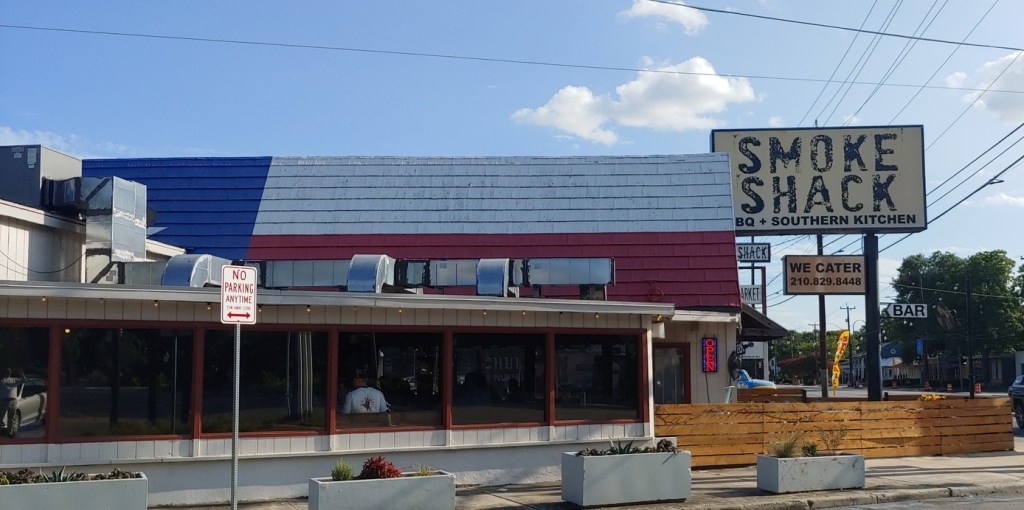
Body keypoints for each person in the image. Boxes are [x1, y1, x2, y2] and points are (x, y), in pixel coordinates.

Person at [1, 368, 26, 435]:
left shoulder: (2, 380)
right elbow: (24, 380)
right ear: (10, 373)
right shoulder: (14, 380)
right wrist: (22, 374)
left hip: (4, 400)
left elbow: (24, 380)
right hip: (12, 400)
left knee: (3, 416)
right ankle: (10, 433)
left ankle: (10, 432)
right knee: (11, 418)